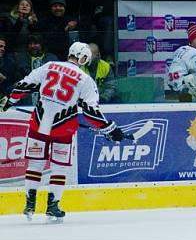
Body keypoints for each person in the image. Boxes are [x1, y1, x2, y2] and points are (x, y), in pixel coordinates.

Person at [2, 41, 126, 222]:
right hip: (63, 128)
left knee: (35, 165)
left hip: (39, 124)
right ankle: (53, 206)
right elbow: (91, 112)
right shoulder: (85, 80)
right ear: (83, 58)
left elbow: (23, 85)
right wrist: (110, 128)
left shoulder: (49, 66)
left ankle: (30, 202)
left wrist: (9, 102)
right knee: (59, 167)